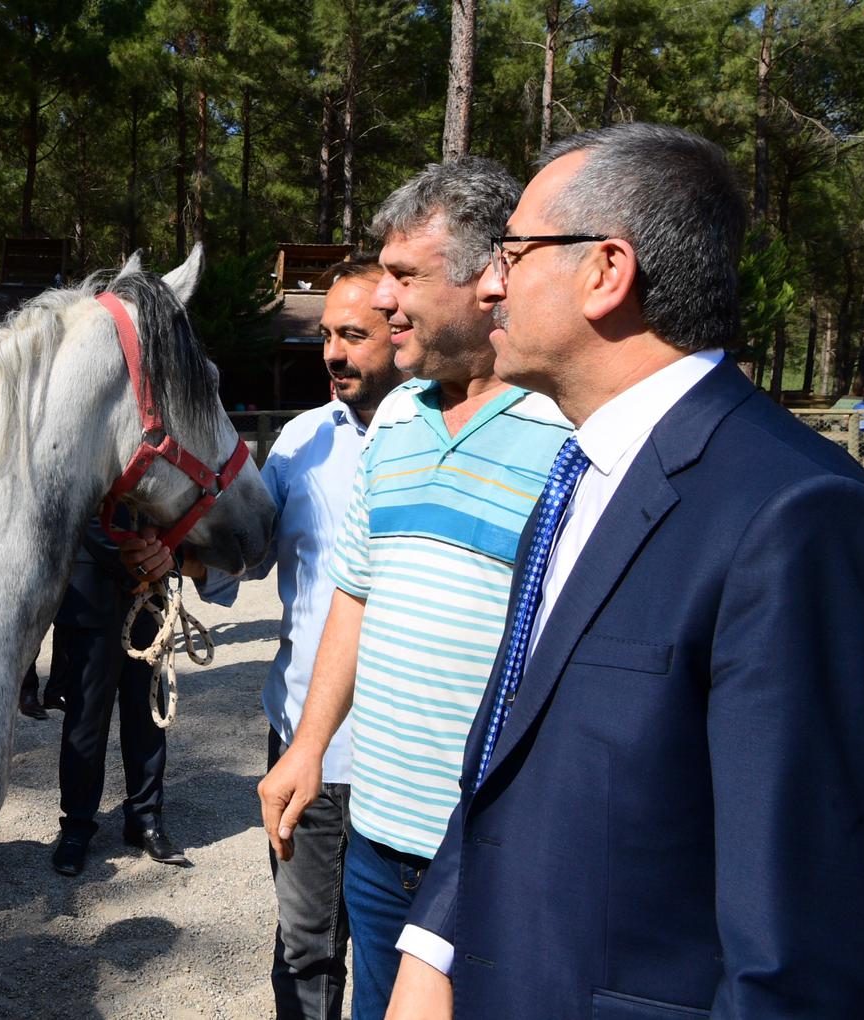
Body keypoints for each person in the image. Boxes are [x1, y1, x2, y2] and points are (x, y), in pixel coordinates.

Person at [389, 123, 864, 1019]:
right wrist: (432, 946)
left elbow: (804, 942)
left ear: (606, 271)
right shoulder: (580, 470)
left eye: (512, 250)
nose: (490, 281)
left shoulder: (797, 514)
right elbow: (513, 743)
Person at [256, 159, 571, 1020]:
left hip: (488, 850)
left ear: (490, 278)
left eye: (404, 277)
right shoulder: (395, 420)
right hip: (375, 833)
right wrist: (309, 744)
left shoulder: (566, 432)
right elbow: (356, 593)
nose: (385, 299)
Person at [153, 256, 402, 1018]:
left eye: (353, 335)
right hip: (304, 744)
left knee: (405, 962)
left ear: (404, 330)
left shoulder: (440, 437)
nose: (331, 352)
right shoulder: (300, 441)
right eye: (327, 334)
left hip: (410, 755)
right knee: (304, 947)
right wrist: (179, 557)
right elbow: (249, 558)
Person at [48, 517, 229, 876]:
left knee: (146, 716)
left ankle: (145, 818)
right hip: (91, 596)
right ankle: (76, 827)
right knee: (86, 722)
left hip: (146, 598)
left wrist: (162, 556)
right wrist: (137, 560)